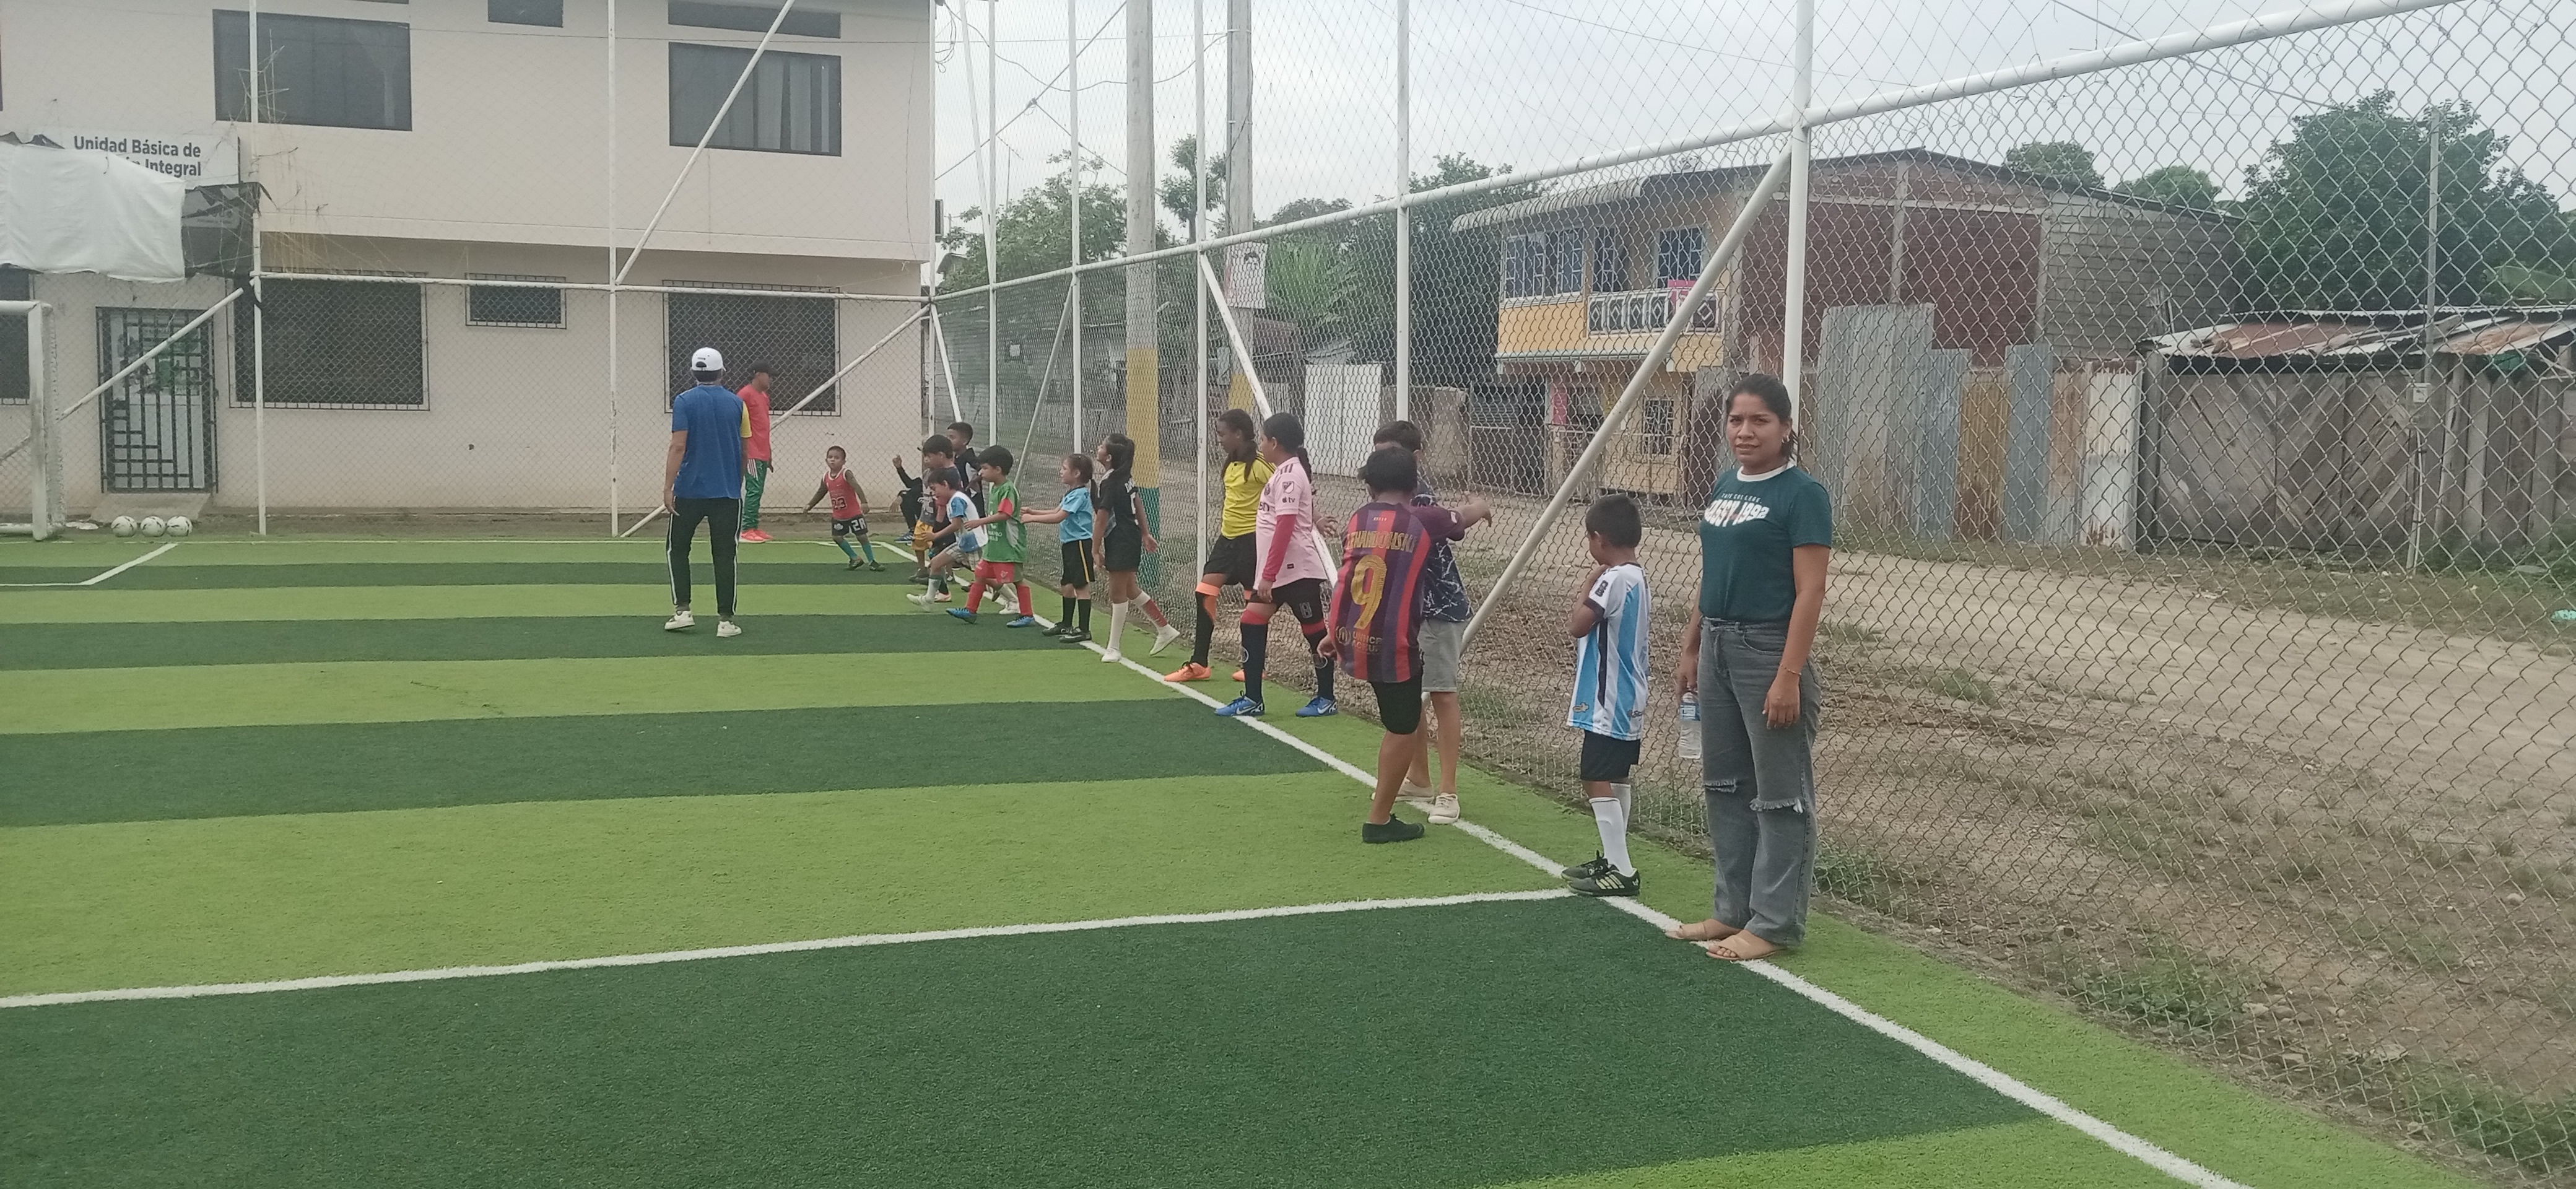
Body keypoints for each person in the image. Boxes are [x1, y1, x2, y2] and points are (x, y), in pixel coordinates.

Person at [1665, 373, 1833, 962]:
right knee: (1725, 785)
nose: (1745, 431)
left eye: (1760, 421)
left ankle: (1775, 923)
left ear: (1786, 428)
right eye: (1736, 420)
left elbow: (1810, 591)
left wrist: (1788, 675)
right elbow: (1713, 574)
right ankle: (1732, 909)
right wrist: (1691, 647)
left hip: (1768, 650)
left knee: (1780, 795)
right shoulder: (1725, 483)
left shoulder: (1802, 494)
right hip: (1717, 644)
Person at [1318, 446, 1463, 843]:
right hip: (1393, 643)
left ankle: (1409, 788)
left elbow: (1349, 580)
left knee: (1399, 718)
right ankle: (1379, 820)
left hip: (1355, 635)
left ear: (1368, 486)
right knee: (1401, 726)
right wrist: (1479, 508)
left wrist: (1335, 630)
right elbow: (1458, 520)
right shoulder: (1421, 520)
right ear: (1415, 486)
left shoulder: (1357, 520)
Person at [1375, 420, 1494, 825]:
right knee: (1410, 695)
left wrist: (1476, 509)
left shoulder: (1415, 498)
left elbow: (1451, 523)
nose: (1385, 464)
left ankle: (1448, 791)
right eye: (1380, 455)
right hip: (1407, 612)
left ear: (1415, 458)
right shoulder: (1385, 500)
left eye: (1393, 454)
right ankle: (1419, 779)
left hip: (1438, 609)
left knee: (1442, 693)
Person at [1559, 495, 1650, 897]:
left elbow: (1578, 625)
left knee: (1595, 776)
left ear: (1600, 539)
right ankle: (1616, 858)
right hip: (1628, 694)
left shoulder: (1613, 579)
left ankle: (1622, 869)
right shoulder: (1637, 576)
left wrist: (1585, 586)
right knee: (1615, 775)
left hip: (1608, 697)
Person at [1217, 412, 1336, 719]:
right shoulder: (1284, 472)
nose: (1261, 445)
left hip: (1296, 571)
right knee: (1251, 622)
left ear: (1274, 442)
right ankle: (1253, 699)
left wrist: (1268, 575)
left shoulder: (1290, 475)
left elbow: (1285, 526)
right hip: (1278, 572)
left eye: (1263, 439)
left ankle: (1326, 697)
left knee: (1314, 632)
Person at [1165, 409, 1269, 683]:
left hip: (1252, 542)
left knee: (1253, 604)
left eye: (1222, 434)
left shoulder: (1261, 465)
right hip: (1227, 541)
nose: (1218, 439)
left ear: (1239, 434)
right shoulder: (1231, 463)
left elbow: (1286, 489)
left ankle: (1254, 666)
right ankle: (1199, 664)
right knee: (1204, 592)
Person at [661, 346, 751, 638]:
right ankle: (726, 621)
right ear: (722, 372)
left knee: (678, 549)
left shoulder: (684, 401)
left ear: (693, 372)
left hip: (689, 490)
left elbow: (678, 446)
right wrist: (735, 482)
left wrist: (668, 486)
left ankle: (683, 611)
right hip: (726, 493)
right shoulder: (738, 404)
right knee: (725, 555)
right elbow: (745, 450)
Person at [1089, 433, 1181, 663]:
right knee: (1130, 589)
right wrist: (1145, 533)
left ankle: (1114, 648)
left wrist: (1095, 550)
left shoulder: (1112, 482)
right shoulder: (1123, 477)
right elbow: (1138, 502)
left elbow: (1102, 519)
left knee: (1117, 593)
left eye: (1102, 446)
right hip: (1127, 536)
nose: (1098, 447)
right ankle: (1165, 629)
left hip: (1121, 539)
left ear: (1109, 457)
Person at [947, 446, 1038, 627]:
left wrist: (980, 522)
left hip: (1009, 547)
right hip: (995, 545)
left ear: (998, 469)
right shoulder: (995, 488)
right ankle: (970, 611)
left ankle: (1027, 615)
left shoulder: (1008, 489)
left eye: (985, 468)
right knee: (980, 574)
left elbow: (1005, 515)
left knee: (1017, 580)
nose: (981, 472)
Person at [1022, 452, 1097, 643]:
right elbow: (1056, 510)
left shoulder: (1080, 494)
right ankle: (1066, 623)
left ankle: (1084, 630)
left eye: (1064, 469)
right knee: (1067, 584)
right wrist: (1033, 511)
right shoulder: (1071, 493)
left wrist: (1031, 519)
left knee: (1081, 586)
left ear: (1077, 473)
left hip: (1080, 544)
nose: (1060, 472)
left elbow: (1059, 517)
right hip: (1070, 544)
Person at [906, 468, 981, 609]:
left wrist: (936, 535)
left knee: (985, 577)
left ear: (945, 484)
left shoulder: (957, 500)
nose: (933, 493)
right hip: (963, 543)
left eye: (934, 489)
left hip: (974, 544)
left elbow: (956, 525)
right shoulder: (953, 499)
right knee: (936, 563)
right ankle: (929, 599)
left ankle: (1013, 601)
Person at [799, 445, 881, 571]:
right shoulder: (826, 477)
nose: (833, 460)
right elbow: (821, 492)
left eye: (837, 458)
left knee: (861, 536)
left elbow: (856, 486)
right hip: (839, 515)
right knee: (837, 537)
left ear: (843, 462)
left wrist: (864, 502)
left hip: (854, 513)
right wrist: (810, 505)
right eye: (830, 457)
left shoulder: (846, 474)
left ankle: (872, 561)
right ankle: (855, 558)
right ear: (826, 460)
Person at [916, 435, 965, 594]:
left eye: (929, 457)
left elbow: (942, 503)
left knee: (959, 559)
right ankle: (941, 592)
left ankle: (994, 583)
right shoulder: (949, 472)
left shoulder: (947, 475)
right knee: (938, 557)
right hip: (949, 521)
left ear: (941, 455)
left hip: (949, 522)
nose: (927, 460)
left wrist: (937, 527)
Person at [737, 363, 778, 542]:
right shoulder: (745, 395)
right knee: (753, 490)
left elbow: (764, 427)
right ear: (759, 375)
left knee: (758, 490)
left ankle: (754, 526)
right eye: (769, 375)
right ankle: (746, 529)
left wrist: (769, 453)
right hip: (751, 452)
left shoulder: (764, 397)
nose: (771, 380)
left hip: (762, 452)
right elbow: (737, 421)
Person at [890, 453, 928, 575]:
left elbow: (918, 489)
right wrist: (899, 468)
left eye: (929, 456)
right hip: (928, 512)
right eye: (925, 457)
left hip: (939, 511)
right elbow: (911, 484)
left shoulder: (942, 474)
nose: (926, 460)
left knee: (909, 496)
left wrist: (903, 495)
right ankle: (913, 530)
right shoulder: (926, 476)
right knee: (907, 497)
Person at [944, 420, 985, 512]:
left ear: (965, 441)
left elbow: (983, 470)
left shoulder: (970, 458)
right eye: (947, 437)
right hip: (960, 500)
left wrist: (975, 480)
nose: (948, 441)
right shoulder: (955, 458)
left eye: (952, 437)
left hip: (973, 503)